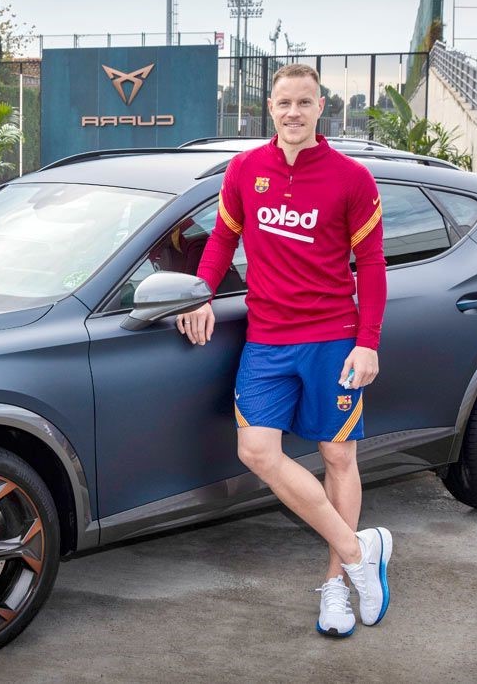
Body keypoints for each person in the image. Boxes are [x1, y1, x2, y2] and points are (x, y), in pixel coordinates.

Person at [176, 63, 390, 638]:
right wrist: (199, 294)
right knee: (257, 452)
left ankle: (336, 588)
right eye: (282, 103)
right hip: (267, 338)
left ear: (322, 107)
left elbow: (370, 266)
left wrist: (367, 343)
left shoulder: (351, 178)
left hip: (332, 338)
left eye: (304, 102)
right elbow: (222, 237)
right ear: (268, 108)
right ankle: (357, 551)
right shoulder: (246, 170)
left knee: (338, 457)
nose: (292, 112)